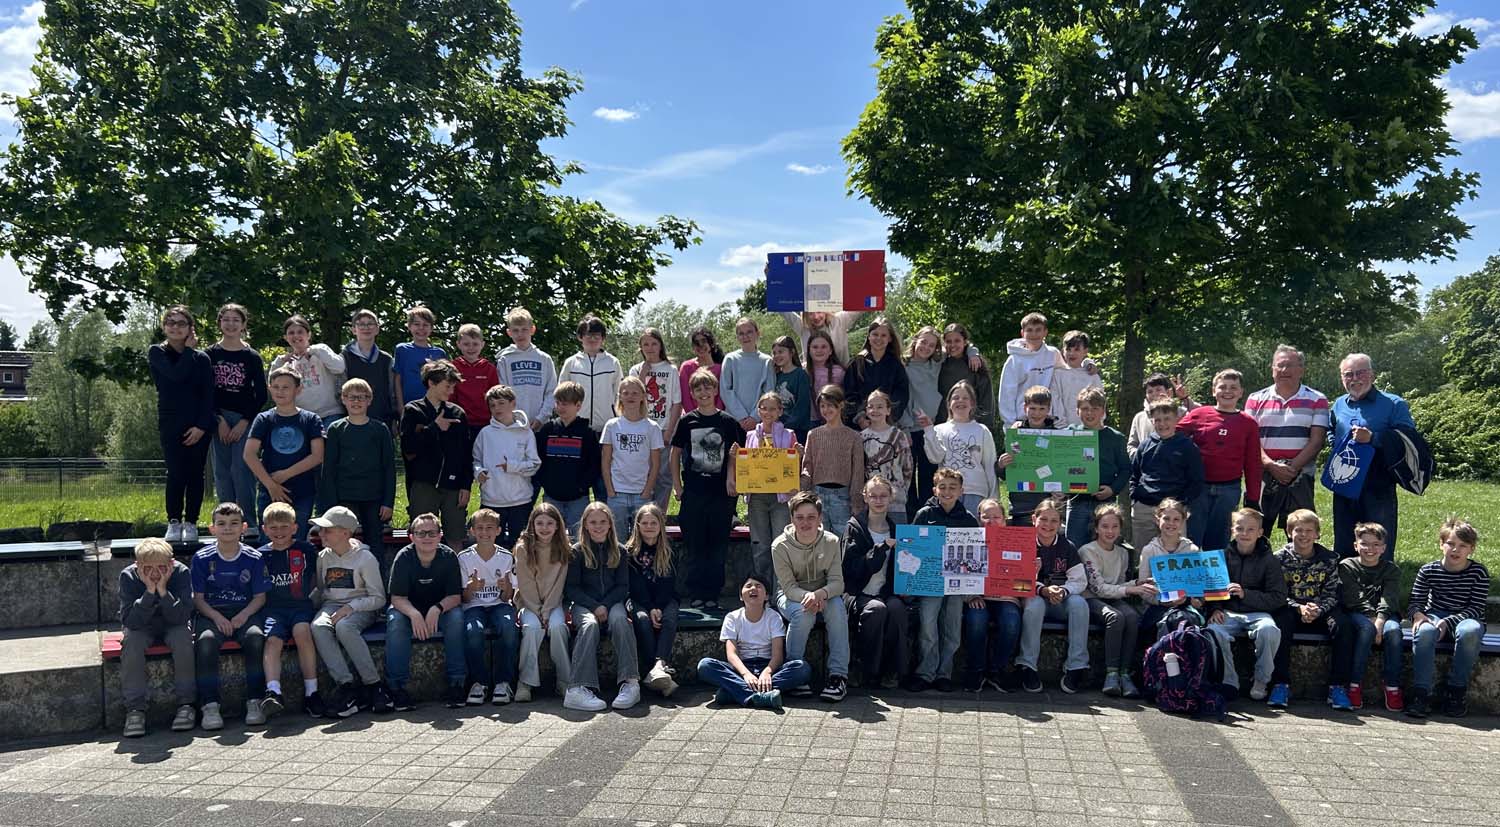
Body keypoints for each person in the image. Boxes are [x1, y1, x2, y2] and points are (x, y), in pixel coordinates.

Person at [190, 503, 269, 730]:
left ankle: (255, 700)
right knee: (205, 642)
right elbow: (198, 599)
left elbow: (260, 597)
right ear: (212, 528)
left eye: (234, 523)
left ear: (243, 527)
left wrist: (243, 616)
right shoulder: (202, 558)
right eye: (221, 523)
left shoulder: (254, 557)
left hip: (245, 612)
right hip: (211, 613)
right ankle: (210, 705)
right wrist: (217, 618)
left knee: (255, 638)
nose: (227, 528)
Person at [671, 368, 745, 610]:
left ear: (715, 390)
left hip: (721, 495)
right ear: (692, 393)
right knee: (695, 545)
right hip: (693, 492)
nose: (703, 392)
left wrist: (733, 480)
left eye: (707, 387)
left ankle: (713, 594)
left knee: (717, 546)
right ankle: (696, 593)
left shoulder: (728, 422)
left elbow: (738, 454)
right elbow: (675, 454)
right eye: (698, 388)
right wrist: (677, 486)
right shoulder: (687, 421)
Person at [1330, 353, 1415, 560]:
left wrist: (1373, 438)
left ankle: (1380, 579)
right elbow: (1331, 430)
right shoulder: (1338, 404)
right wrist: (1335, 443)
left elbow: (1408, 440)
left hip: (1378, 482)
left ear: (1372, 375)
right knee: (1344, 538)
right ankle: (1346, 578)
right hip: (1344, 480)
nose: (1354, 378)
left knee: (1378, 537)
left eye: (1360, 373)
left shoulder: (1394, 404)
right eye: (1348, 374)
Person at [309, 505, 388, 717]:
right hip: (332, 605)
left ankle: (374, 684)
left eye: (327, 530)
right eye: (321, 529)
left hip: (363, 606)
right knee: (318, 626)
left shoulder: (366, 559)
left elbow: (379, 598)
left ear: (345, 533)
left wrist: (351, 607)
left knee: (345, 627)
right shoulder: (323, 557)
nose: (321, 534)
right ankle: (346, 685)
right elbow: (321, 590)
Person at [771, 491, 851, 702]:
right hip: (791, 596)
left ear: (820, 518)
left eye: (811, 517)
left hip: (824, 593)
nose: (805, 523)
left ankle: (838, 676)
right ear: (792, 519)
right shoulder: (779, 546)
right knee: (804, 613)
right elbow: (788, 587)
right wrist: (809, 597)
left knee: (837, 608)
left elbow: (837, 583)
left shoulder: (832, 541)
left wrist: (819, 594)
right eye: (800, 517)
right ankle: (794, 671)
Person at [1406, 518, 1489, 718]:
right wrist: (1418, 615)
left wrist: (1449, 622)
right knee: (1425, 632)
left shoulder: (1479, 572)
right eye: (1450, 544)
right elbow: (1415, 602)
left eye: (1463, 545)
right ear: (1441, 544)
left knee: (1470, 632)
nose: (1455, 550)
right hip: (1435, 614)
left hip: (1467, 617)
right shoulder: (1428, 570)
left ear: (1471, 549)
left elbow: (1476, 608)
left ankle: (1456, 692)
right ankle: (1421, 693)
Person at [1205, 508, 1287, 705]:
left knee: (1269, 630)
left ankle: (1261, 680)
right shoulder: (1221, 557)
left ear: (1260, 532)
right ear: (1232, 530)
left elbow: (1278, 597)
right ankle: (1229, 680)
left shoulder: (1269, 560)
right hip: (1227, 612)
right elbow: (1210, 587)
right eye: (1239, 528)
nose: (1245, 533)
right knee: (1213, 631)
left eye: (1251, 529)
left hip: (1258, 613)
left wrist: (1246, 594)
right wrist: (1215, 608)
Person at [385, 512, 466, 711]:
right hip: (408, 609)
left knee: (457, 618)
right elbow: (397, 598)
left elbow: (455, 596)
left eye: (432, 533)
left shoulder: (448, 557)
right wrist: (414, 614)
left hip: (441, 608)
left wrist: (436, 609)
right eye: (421, 533)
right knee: (395, 622)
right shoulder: (404, 557)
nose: (427, 538)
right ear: (411, 537)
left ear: (440, 536)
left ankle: (457, 683)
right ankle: (396, 687)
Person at [906, 467, 977, 692]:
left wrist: (973, 588)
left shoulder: (968, 519)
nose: (947, 492)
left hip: (956, 584)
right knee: (928, 627)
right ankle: (925, 673)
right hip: (930, 582)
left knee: (952, 630)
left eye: (952, 487)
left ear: (961, 491)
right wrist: (909, 582)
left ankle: (944, 674)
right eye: (942, 487)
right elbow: (912, 548)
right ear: (935, 490)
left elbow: (976, 556)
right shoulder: (924, 515)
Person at [149, 305, 215, 544]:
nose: (175, 327)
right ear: (164, 327)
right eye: (171, 323)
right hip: (171, 422)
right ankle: (174, 521)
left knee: (196, 474)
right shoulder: (157, 352)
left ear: (190, 328)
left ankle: (191, 522)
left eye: (181, 323)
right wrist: (187, 351)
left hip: (198, 424)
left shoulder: (202, 359)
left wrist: (202, 426)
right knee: (176, 473)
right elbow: (175, 376)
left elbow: (209, 396)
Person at [565, 503, 640, 712]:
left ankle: (630, 682)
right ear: (585, 525)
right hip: (584, 604)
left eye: (602, 522)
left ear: (609, 525)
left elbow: (623, 586)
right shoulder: (576, 552)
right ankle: (577, 688)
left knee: (621, 621)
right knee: (589, 625)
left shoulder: (620, 551)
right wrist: (595, 606)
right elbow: (571, 588)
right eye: (593, 522)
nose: (598, 526)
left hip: (612, 603)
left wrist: (605, 605)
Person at [1245, 345, 1330, 531]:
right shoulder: (1254, 399)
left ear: (1301, 370)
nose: (1284, 370)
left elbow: (1317, 441)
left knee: (1300, 531)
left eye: (1290, 365)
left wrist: (1291, 468)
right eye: (1280, 365)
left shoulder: (1317, 399)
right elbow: (1249, 440)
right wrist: (1271, 465)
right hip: (1262, 473)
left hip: (1300, 475)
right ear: (1272, 369)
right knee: (1255, 529)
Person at [697, 573, 812, 710]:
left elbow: (778, 655)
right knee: (705, 665)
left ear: (766, 596)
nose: (753, 589)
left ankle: (735, 692)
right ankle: (760, 696)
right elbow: (731, 654)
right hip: (741, 669)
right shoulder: (732, 617)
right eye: (748, 586)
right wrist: (746, 674)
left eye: (758, 586)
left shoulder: (774, 617)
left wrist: (767, 672)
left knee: (802, 668)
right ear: (741, 596)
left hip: (768, 667)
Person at [1177, 369, 1262, 551]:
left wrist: (1253, 497)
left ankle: (1215, 570)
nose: (1227, 391)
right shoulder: (1199, 414)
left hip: (1228, 490)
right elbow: (1173, 436)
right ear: (1213, 391)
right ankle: (1191, 569)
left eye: (1233, 387)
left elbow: (1253, 463)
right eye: (1222, 387)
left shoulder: (1248, 423)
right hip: (1198, 488)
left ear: (1241, 392)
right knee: (1190, 539)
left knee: (1218, 542)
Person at [1271, 509, 1348, 710]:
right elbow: (1277, 594)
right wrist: (1299, 608)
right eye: (1298, 530)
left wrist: (1318, 609)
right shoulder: (1278, 559)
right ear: (1289, 533)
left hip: (1321, 609)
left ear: (1317, 534)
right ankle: (1280, 684)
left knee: (1344, 626)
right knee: (1279, 624)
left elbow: (1332, 593)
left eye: (1309, 530)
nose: (1304, 535)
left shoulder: (1330, 559)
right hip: (1291, 609)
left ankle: (1338, 686)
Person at [118, 538, 196, 737]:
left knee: (183, 639)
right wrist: (149, 593)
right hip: (142, 626)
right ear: (138, 565)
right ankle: (135, 709)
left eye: (161, 567)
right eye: (147, 568)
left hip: (173, 623)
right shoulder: (128, 576)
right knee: (132, 643)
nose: (154, 574)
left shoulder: (181, 573)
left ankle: (186, 704)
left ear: (171, 564)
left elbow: (182, 616)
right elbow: (131, 621)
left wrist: (163, 591)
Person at [1015, 499, 1091, 694]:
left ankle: (1076, 665)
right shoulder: (1023, 543)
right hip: (1034, 597)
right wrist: (1043, 590)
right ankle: (1027, 665)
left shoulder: (1067, 546)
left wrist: (1062, 591)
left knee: (1079, 604)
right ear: (1034, 519)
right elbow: (1016, 580)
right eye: (1044, 519)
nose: (1048, 525)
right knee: (1034, 606)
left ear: (1060, 523)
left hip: (1060, 600)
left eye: (1054, 521)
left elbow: (1079, 581)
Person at [255, 502, 322, 719]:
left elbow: (314, 578)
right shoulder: (260, 555)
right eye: (273, 527)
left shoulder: (306, 550)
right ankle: (273, 691)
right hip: (272, 610)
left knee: (303, 632)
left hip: (300, 606)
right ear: (264, 529)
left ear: (294, 527)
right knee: (272, 641)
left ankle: (312, 693)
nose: (279, 532)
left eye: (284, 526)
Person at [319, 378, 396, 566]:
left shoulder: (380, 429)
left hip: (373, 497)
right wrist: (330, 504)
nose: (356, 402)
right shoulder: (336, 429)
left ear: (369, 400)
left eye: (361, 397)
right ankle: (343, 578)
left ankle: (376, 578)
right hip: (344, 497)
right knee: (341, 541)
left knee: (375, 542)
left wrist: (388, 501)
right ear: (343, 399)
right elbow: (329, 469)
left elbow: (389, 468)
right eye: (352, 397)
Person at [245, 366, 326, 544]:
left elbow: (317, 456)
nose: (280, 391)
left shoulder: (311, 420)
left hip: (302, 491)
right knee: (268, 543)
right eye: (276, 387)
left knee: (297, 543)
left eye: (286, 387)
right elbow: (249, 454)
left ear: (298, 389)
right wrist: (271, 485)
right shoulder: (263, 419)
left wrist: (285, 474)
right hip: (269, 492)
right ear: (269, 388)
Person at [842, 476, 908, 690]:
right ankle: (865, 669)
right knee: (876, 610)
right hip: (858, 592)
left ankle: (891, 670)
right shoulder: (854, 527)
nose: (878, 500)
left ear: (891, 498)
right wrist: (881, 549)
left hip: (886, 592)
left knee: (897, 609)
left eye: (883, 496)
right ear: (865, 497)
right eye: (873, 496)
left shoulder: (897, 530)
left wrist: (908, 586)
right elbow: (850, 569)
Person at [208, 303, 267, 540]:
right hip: (219, 418)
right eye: (226, 319)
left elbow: (260, 394)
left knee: (242, 470)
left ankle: (248, 523)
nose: (231, 324)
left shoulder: (251, 356)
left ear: (243, 325)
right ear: (220, 323)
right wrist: (219, 419)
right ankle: (225, 523)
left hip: (244, 419)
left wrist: (244, 421)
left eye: (236, 320)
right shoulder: (209, 354)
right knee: (222, 473)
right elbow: (204, 391)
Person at [1080, 503, 1151, 698]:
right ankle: (1111, 673)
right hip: (1092, 598)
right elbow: (1098, 588)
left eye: (1115, 526)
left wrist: (1137, 583)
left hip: (1113, 597)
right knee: (1115, 617)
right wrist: (1130, 589)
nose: (1110, 531)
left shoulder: (1122, 553)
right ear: (1096, 528)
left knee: (1132, 616)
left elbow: (1118, 584)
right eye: (1105, 526)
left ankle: (1125, 673)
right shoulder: (1087, 551)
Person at [399, 359, 472, 547]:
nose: (451, 391)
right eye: (447, 386)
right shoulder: (412, 410)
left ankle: (455, 567)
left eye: (453, 387)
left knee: (456, 536)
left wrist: (466, 485)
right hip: (423, 484)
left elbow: (466, 454)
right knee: (422, 536)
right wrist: (434, 428)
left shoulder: (458, 413)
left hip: (454, 486)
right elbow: (408, 448)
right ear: (431, 382)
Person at [1336, 522, 1404, 712]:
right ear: (1355, 545)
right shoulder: (1347, 566)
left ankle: (1392, 685)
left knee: (1394, 632)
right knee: (1366, 630)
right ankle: (1354, 683)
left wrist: (1380, 620)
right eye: (1364, 544)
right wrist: (1373, 620)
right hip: (1357, 613)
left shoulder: (1391, 570)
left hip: (1386, 615)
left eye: (1376, 544)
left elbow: (1389, 598)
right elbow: (1355, 597)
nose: (1370, 549)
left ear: (1383, 548)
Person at [458, 509, 520, 706]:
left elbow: (507, 597)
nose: (484, 532)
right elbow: (464, 598)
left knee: (509, 627)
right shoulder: (464, 557)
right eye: (480, 528)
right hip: (474, 605)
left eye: (489, 528)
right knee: (472, 631)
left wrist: (506, 587)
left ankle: (503, 682)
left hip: (499, 604)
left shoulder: (506, 556)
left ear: (498, 531)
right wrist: (471, 587)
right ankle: (479, 682)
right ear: (472, 531)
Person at [514, 503, 574, 703]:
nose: (545, 528)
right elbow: (525, 584)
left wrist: (547, 612)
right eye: (540, 523)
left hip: (554, 603)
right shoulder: (523, 548)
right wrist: (538, 611)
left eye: (550, 523)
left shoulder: (563, 548)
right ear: (532, 524)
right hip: (528, 603)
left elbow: (559, 584)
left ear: (557, 526)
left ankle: (565, 680)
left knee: (558, 627)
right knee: (532, 628)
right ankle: (525, 682)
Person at [960, 498, 1019, 693]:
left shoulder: (1018, 540)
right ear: (979, 519)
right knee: (976, 620)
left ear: (1004, 519)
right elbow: (957, 573)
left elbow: (1024, 580)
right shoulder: (969, 540)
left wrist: (1033, 568)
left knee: (1011, 621)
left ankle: (996, 670)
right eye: (986, 517)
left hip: (1007, 598)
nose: (991, 521)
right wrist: (970, 596)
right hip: (978, 597)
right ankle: (975, 670)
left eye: (997, 517)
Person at [472, 384, 542, 547]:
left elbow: (534, 465)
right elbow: (476, 461)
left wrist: (511, 466)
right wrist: (479, 472)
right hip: (491, 501)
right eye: (492, 405)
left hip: (520, 501)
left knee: (521, 547)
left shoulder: (526, 432)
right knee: (491, 546)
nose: (497, 408)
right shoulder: (485, 433)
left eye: (501, 403)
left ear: (513, 403)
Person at [1129, 399, 1205, 548]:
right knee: (1143, 552)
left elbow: (1196, 480)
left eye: (1167, 419)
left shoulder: (1187, 446)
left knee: (1174, 552)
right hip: (1144, 508)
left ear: (1176, 418)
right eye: (1157, 420)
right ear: (1152, 420)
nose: (1162, 424)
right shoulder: (1145, 445)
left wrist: (1181, 503)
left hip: (1173, 510)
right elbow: (1135, 474)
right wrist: (1135, 496)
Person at [918, 380, 997, 518]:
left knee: (973, 530)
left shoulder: (982, 430)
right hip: (948, 493)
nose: (960, 401)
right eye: (956, 398)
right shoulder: (939, 429)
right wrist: (928, 430)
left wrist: (994, 498)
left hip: (976, 492)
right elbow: (935, 458)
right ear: (949, 404)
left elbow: (990, 465)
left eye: (965, 398)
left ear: (972, 403)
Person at [625, 504, 680, 697]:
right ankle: (657, 671)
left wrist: (659, 606)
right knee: (643, 620)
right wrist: (650, 607)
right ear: (638, 525)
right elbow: (635, 585)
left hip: (665, 598)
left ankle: (658, 666)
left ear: (661, 525)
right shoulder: (629, 551)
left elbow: (668, 582)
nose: (649, 526)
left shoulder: (669, 548)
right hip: (639, 600)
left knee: (669, 618)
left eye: (653, 523)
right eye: (645, 523)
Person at [744, 391, 797, 592]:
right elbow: (746, 465)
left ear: (780, 411)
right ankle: (762, 592)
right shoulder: (750, 436)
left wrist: (798, 455)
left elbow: (793, 465)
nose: (768, 412)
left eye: (773, 409)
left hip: (780, 497)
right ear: (758, 410)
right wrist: (736, 457)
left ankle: (779, 593)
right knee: (760, 547)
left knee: (780, 545)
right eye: (764, 408)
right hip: (757, 496)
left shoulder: (789, 435)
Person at [1066, 387, 1131, 549]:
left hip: (1105, 503)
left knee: (1106, 548)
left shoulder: (1116, 438)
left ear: (1103, 411)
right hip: (1077, 501)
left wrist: (1113, 489)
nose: (1089, 413)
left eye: (1095, 409)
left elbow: (1125, 470)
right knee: (1074, 547)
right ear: (1077, 411)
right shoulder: (1069, 434)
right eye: (1085, 409)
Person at [535, 381, 601, 535]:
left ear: (578, 405)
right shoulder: (547, 430)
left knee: (578, 537)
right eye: (557, 403)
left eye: (565, 404)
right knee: (551, 537)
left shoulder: (587, 432)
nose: (560, 407)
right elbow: (538, 460)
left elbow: (594, 464)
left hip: (578, 498)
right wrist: (546, 483)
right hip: (552, 496)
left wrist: (582, 486)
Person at [601, 376, 663, 536]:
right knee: (618, 540)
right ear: (620, 396)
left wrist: (647, 491)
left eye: (635, 393)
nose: (630, 396)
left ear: (643, 396)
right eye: (626, 393)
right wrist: (610, 490)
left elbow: (656, 464)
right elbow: (606, 461)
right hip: (617, 493)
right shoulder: (612, 426)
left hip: (642, 494)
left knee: (642, 539)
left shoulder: (652, 427)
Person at [801, 385, 865, 534]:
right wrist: (802, 491)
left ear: (840, 405)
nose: (826, 410)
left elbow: (857, 472)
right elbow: (807, 466)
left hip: (842, 496)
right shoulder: (813, 435)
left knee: (843, 539)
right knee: (818, 538)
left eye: (830, 405)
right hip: (817, 494)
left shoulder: (854, 436)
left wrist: (856, 501)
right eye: (822, 406)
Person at [1134, 498, 1200, 640]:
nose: (1171, 523)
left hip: (1185, 606)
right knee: (1170, 621)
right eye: (1166, 518)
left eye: (1176, 519)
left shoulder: (1192, 550)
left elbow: (1197, 585)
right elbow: (1143, 589)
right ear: (1157, 520)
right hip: (1156, 606)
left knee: (1183, 620)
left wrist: (1191, 599)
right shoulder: (1149, 550)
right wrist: (1162, 601)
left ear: (1183, 522)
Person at [630, 327, 681, 509]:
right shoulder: (635, 370)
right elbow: (631, 397)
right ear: (641, 348)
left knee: (663, 475)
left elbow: (677, 403)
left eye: (654, 344)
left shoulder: (671, 370)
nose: (650, 348)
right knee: (643, 473)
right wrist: (643, 374)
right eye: (646, 344)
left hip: (663, 428)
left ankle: (659, 515)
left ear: (660, 346)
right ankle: (643, 514)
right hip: (642, 428)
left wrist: (669, 432)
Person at [998, 385, 1062, 526]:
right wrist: (1001, 465)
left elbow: (1062, 469)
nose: (1037, 413)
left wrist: (1062, 491)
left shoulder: (1058, 436)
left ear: (1049, 409)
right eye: (1032, 408)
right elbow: (1004, 474)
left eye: (1041, 409)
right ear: (1025, 407)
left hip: (1048, 505)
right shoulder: (1015, 434)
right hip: (1021, 507)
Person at [269, 314, 346, 427]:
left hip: (330, 414)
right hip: (303, 417)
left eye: (300, 332)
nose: (296, 336)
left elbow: (339, 368)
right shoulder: (286, 363)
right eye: (291, 333)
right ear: (285, 337)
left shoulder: (321, 350)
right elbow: (272, 384)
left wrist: (314, 351)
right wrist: (279, 361)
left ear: (308, 334)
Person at [903, 327, 944, 518]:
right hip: (907, 429)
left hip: (928, 428)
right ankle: (911, 519)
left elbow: (960, 345)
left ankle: (928, 517)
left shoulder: (936, 364)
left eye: (931, 345)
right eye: (923, 342)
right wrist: (903, 426)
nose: (926, 347)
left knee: (928, 475)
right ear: (915, 340)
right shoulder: (903, 364)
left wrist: (972, 352)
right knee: (909, 476)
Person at [497, 306, 558, 433]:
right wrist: (514, 418)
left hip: (541, 425)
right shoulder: (505, 360)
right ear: (509, 332)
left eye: (524, 329)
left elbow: (551, 392)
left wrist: (541, 418)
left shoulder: (544, 359)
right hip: (513, 424)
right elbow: (503, 393)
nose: (520, 334)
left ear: (532, 330)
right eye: (515, 330)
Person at [997, 311, 1064, 427]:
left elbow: (1066, 375)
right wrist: (1010, 423)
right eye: (1029, 330)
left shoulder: (1053, 354)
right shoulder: (1014, 360)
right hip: (1021, 421)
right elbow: (1006, 394)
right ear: (1022, 333)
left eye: (1038, 330)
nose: (1034, 334)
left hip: (1049, 419)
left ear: (1045, 332)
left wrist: (1087, 364)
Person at [842, 316, 909, 429]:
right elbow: (849, 395)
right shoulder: (857, 363)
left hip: (886, 425)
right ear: (869, 336)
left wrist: (885, 418)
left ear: (890, 338)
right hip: (860, 427)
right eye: (875, 334)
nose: (879, 338)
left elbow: (901, 396)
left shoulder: (896, 365)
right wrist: (860, 418)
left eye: (883, 335)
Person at [860, 390, 913, 524]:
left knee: (897, 535)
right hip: (871, 500)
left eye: (879, 407)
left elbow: (908, 467)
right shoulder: (861, 437)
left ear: (888, 410)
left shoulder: (899, 436)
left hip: (896, 500)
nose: (875, 410)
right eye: (871, 407)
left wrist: (901, 491)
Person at [342, 309, 397, 432]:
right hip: (352, 420)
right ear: (353, 330)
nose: (366, 328)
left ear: (377, 329)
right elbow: (340, 389)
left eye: (370, 324)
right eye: (361, 324)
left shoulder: (386, 359)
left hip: (382, 419)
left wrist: (394, 416)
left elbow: (392, 391)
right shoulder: (345, 357)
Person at [935, 322, 993, 429]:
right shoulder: (939, 364)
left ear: (965, 342)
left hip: (971, 425)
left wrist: (986, 426)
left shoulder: (975, 364)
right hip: (943, 425)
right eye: (948, 341)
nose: (953, 345)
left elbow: (986, 398)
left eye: (957, 341)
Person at [721, 317, 774, 433]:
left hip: (760, 422)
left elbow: (768, 392)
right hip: (734, 421)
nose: (745, 336)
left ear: (757, 333)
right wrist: (741, 416)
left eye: (749, 332)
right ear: (737, 337)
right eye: (741, 333)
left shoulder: (766, 361)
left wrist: (755, 417)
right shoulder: (730, 359)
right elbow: (725, 390)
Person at [1127, 373, 1195, 459]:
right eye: (1150, 391)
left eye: (1158, 389)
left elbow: (1198, 422)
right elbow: (1132, 445)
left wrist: (1185, 399)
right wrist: (1141, 457)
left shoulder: (1181, 413)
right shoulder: (1139, 418)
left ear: (1168, 392)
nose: (1154, 394)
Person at [452, 322, 500, 443]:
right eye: (466, 344)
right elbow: (450, 396)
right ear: (458, 344)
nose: (471, 348)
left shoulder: (489, 369)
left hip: (485, 423)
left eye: (475, 344)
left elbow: (495, 396)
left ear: (482, 344)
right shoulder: (452, 368)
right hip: (460, 423)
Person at [392, 304, 446, 410]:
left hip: (433, 407)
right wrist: (400, 407)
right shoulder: (402, 349)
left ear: (431, 328)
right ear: (409, 326)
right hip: (408, 406)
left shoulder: (439, 353)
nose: (421, 328)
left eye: (425, 325)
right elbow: (397, 380)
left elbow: (443, 384)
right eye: (417, 324)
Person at [1048, 330, 1102, 428]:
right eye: (1068, 349)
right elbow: (1055, 401)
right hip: (1063, 429)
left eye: (1077, 349)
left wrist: (1095, 425)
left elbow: (1100, 403)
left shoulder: (1092, 376)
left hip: (1089, 429)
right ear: (1063, 351)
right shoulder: (1057, 374)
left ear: (1085, 351)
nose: (1072, 353)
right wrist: (1061, 426)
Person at [770, 335, 812, 443]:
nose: (777, 355)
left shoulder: (800, 375)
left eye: (781, 351)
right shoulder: (776, 376)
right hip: (776, 430)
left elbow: (802, 406)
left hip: (797, 431)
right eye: (774, 353)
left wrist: (786, 426)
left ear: (791, 352)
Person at [782, 308, 859, 365]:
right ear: (806, 315)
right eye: (810, 313)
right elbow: (783, 309)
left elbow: (861, 305)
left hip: (842, 377)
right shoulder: (803, 327)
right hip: (813, 378)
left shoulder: (839, 320)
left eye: (819, 311)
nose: (816, 317)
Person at [804, 329, 844, 430]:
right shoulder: (803, 371)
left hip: (834, 419)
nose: (819, 350)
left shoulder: (839, 372)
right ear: (809, 350)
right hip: (810, 422)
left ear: (830, 351)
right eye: (815, 347)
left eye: (824, 347)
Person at [679, 325, 725, 411]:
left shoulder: (721, 369)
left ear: (711, 343)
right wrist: (694, 416)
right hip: (692, 416)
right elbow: (685, 397)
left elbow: (721, 398)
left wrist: (714, 415)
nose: (700, 345)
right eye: (696, 343)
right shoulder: (686, 367)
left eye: (704, 341)